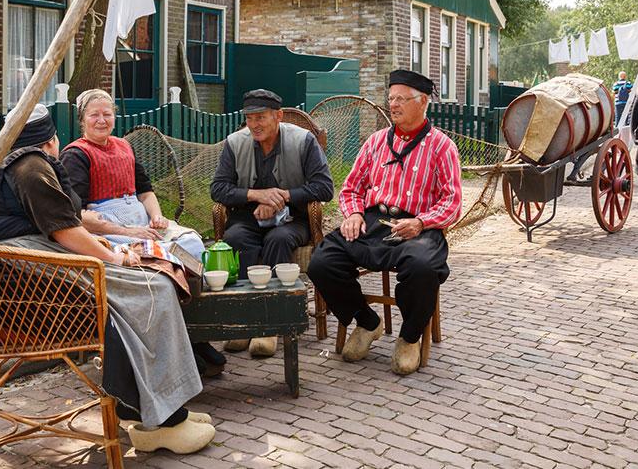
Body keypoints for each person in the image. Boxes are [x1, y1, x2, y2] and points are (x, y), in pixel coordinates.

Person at [0, 104, 215, 454]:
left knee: (155, 278)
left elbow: (60, 226)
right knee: (152, 289)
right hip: (25, 282)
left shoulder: (24, 163)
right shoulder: (31, 167)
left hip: (30, 266)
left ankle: (156, 409)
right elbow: (65, 230)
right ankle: (159, 420)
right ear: (51, 140)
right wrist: (114, 256)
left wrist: (106, 248)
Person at [59, 88, 225, 375]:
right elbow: (79, 216)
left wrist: (157, 217)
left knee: (193, 246)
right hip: (108, 228)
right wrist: (129, 231)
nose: (102, 120)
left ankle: (194, 334)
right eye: (94, 115)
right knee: (160, 260)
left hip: (141, 221)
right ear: (82, 120)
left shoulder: (124, 147)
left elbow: (145, 191)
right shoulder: (76, 155)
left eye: (107, 114)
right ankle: (173, 347)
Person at [307, 69, 462, 376]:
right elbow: (352, 188)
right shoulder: (376, 142)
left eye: (401, 99)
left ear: (423, 103)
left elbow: (452, 202)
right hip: (373, 221)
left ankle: (410, 336)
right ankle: (367, 322)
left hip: (417, 227)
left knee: (422, 268)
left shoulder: (442, 146)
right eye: (391, 98)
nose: (393, 104)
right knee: (322, 262)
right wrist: (352, 213)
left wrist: (420, 222)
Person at [210, 89, 334, 357]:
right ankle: (245, 319)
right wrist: (256, 195)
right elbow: (218, 189)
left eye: (261, 117)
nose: (254, 124)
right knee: (235, 239)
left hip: (292, 217)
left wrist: (283, 196)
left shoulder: (303, 141)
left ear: (278, 116)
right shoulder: (235, 142)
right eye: (249, 118)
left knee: (278, 239)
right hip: (247, 216)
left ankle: (270, 325)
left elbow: (324, 188)